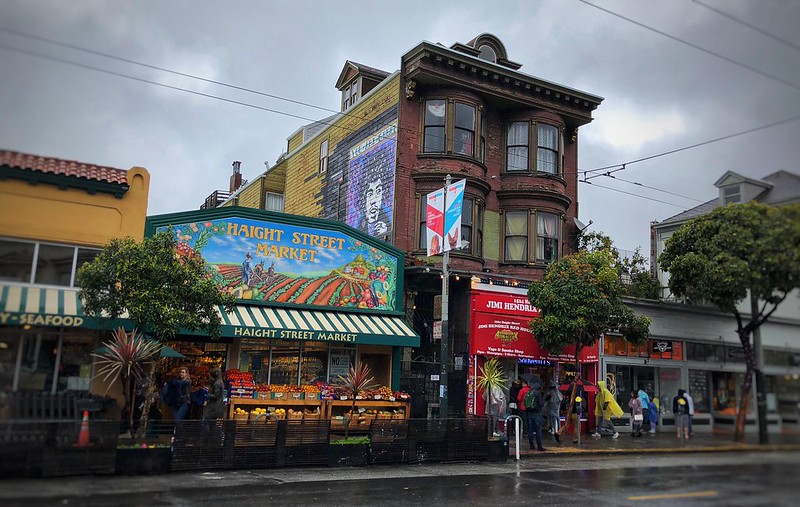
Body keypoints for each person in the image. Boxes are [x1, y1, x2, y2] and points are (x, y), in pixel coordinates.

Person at [519, 380, 545, 451]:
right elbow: (541, 403)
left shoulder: (528, 392)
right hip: (537, 413)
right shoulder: (538, 393)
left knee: (530, 430)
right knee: (538, 430)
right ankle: (539, 446)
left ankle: (531, 445)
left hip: (529, 413)